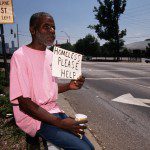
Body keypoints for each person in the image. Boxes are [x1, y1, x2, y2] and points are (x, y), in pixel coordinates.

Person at [9, 12, 94, 150]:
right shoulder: (20, 56)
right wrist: (60, 123)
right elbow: (24, 104)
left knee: (90, 147)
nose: (52, 31)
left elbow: (47, 88)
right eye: (46, 27)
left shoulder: (51, 56)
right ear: (33, 29)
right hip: (34, 117)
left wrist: (69, 86)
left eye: (53, 27)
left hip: (53, 111)